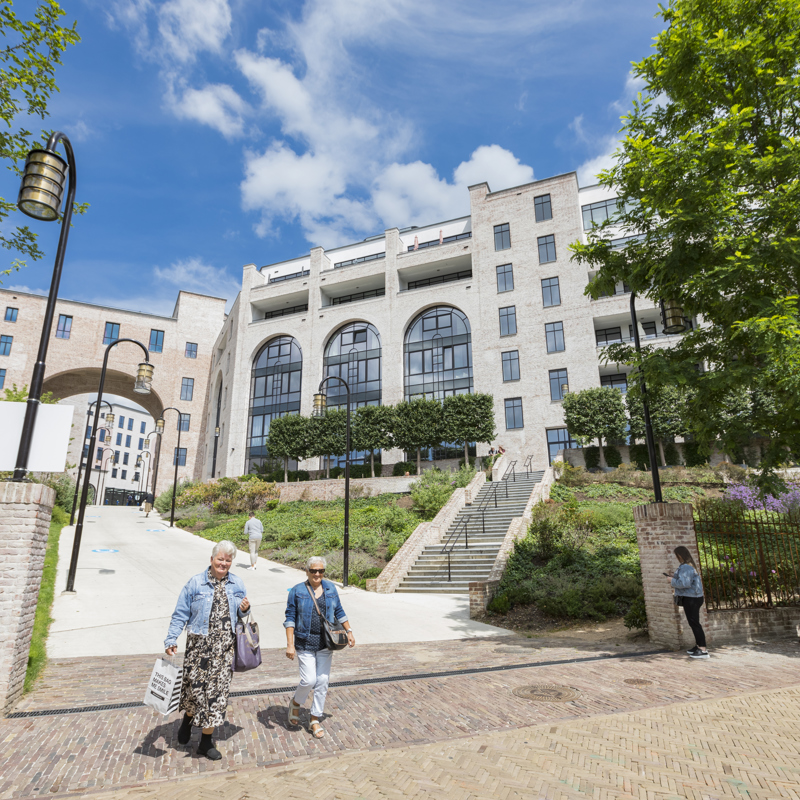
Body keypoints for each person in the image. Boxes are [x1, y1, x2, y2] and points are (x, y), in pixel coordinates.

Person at [164, 540, 250, 760]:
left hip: (224, 651)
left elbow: (241, 614)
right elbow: (180, 613)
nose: (223, 563)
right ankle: (188, 719)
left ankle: (205, 741)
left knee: (216, 697)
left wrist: (245, 609)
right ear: (211, 559)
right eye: (220, 559)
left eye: (228, 560)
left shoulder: (237, 583)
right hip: (198, 649)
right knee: (194, 691)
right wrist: (171, 638)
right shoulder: (195, 583)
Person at [284, 556, 354, 739]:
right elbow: (290, 618)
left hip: (325, 643)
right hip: (304, 643)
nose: (317, 574)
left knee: (322, 681)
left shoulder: (330, 588)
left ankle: (314, 719)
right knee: (308, 680)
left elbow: (339, 611)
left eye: (321, 571)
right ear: (306, 571)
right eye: (314, 570)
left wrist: (349, 631)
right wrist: (290, 644)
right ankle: (296, 703)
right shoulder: (297, 591)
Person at [669, 545, 709, 659]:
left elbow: (684, 584)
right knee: (693, 623)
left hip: (691, 599)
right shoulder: (688, 566)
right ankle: (698, 646)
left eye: (677, 555)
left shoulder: (686, 567)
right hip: (693, 597)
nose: (677, 557)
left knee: (694, 623)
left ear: (680, 555)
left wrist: (671, 580)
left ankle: (703, 649)